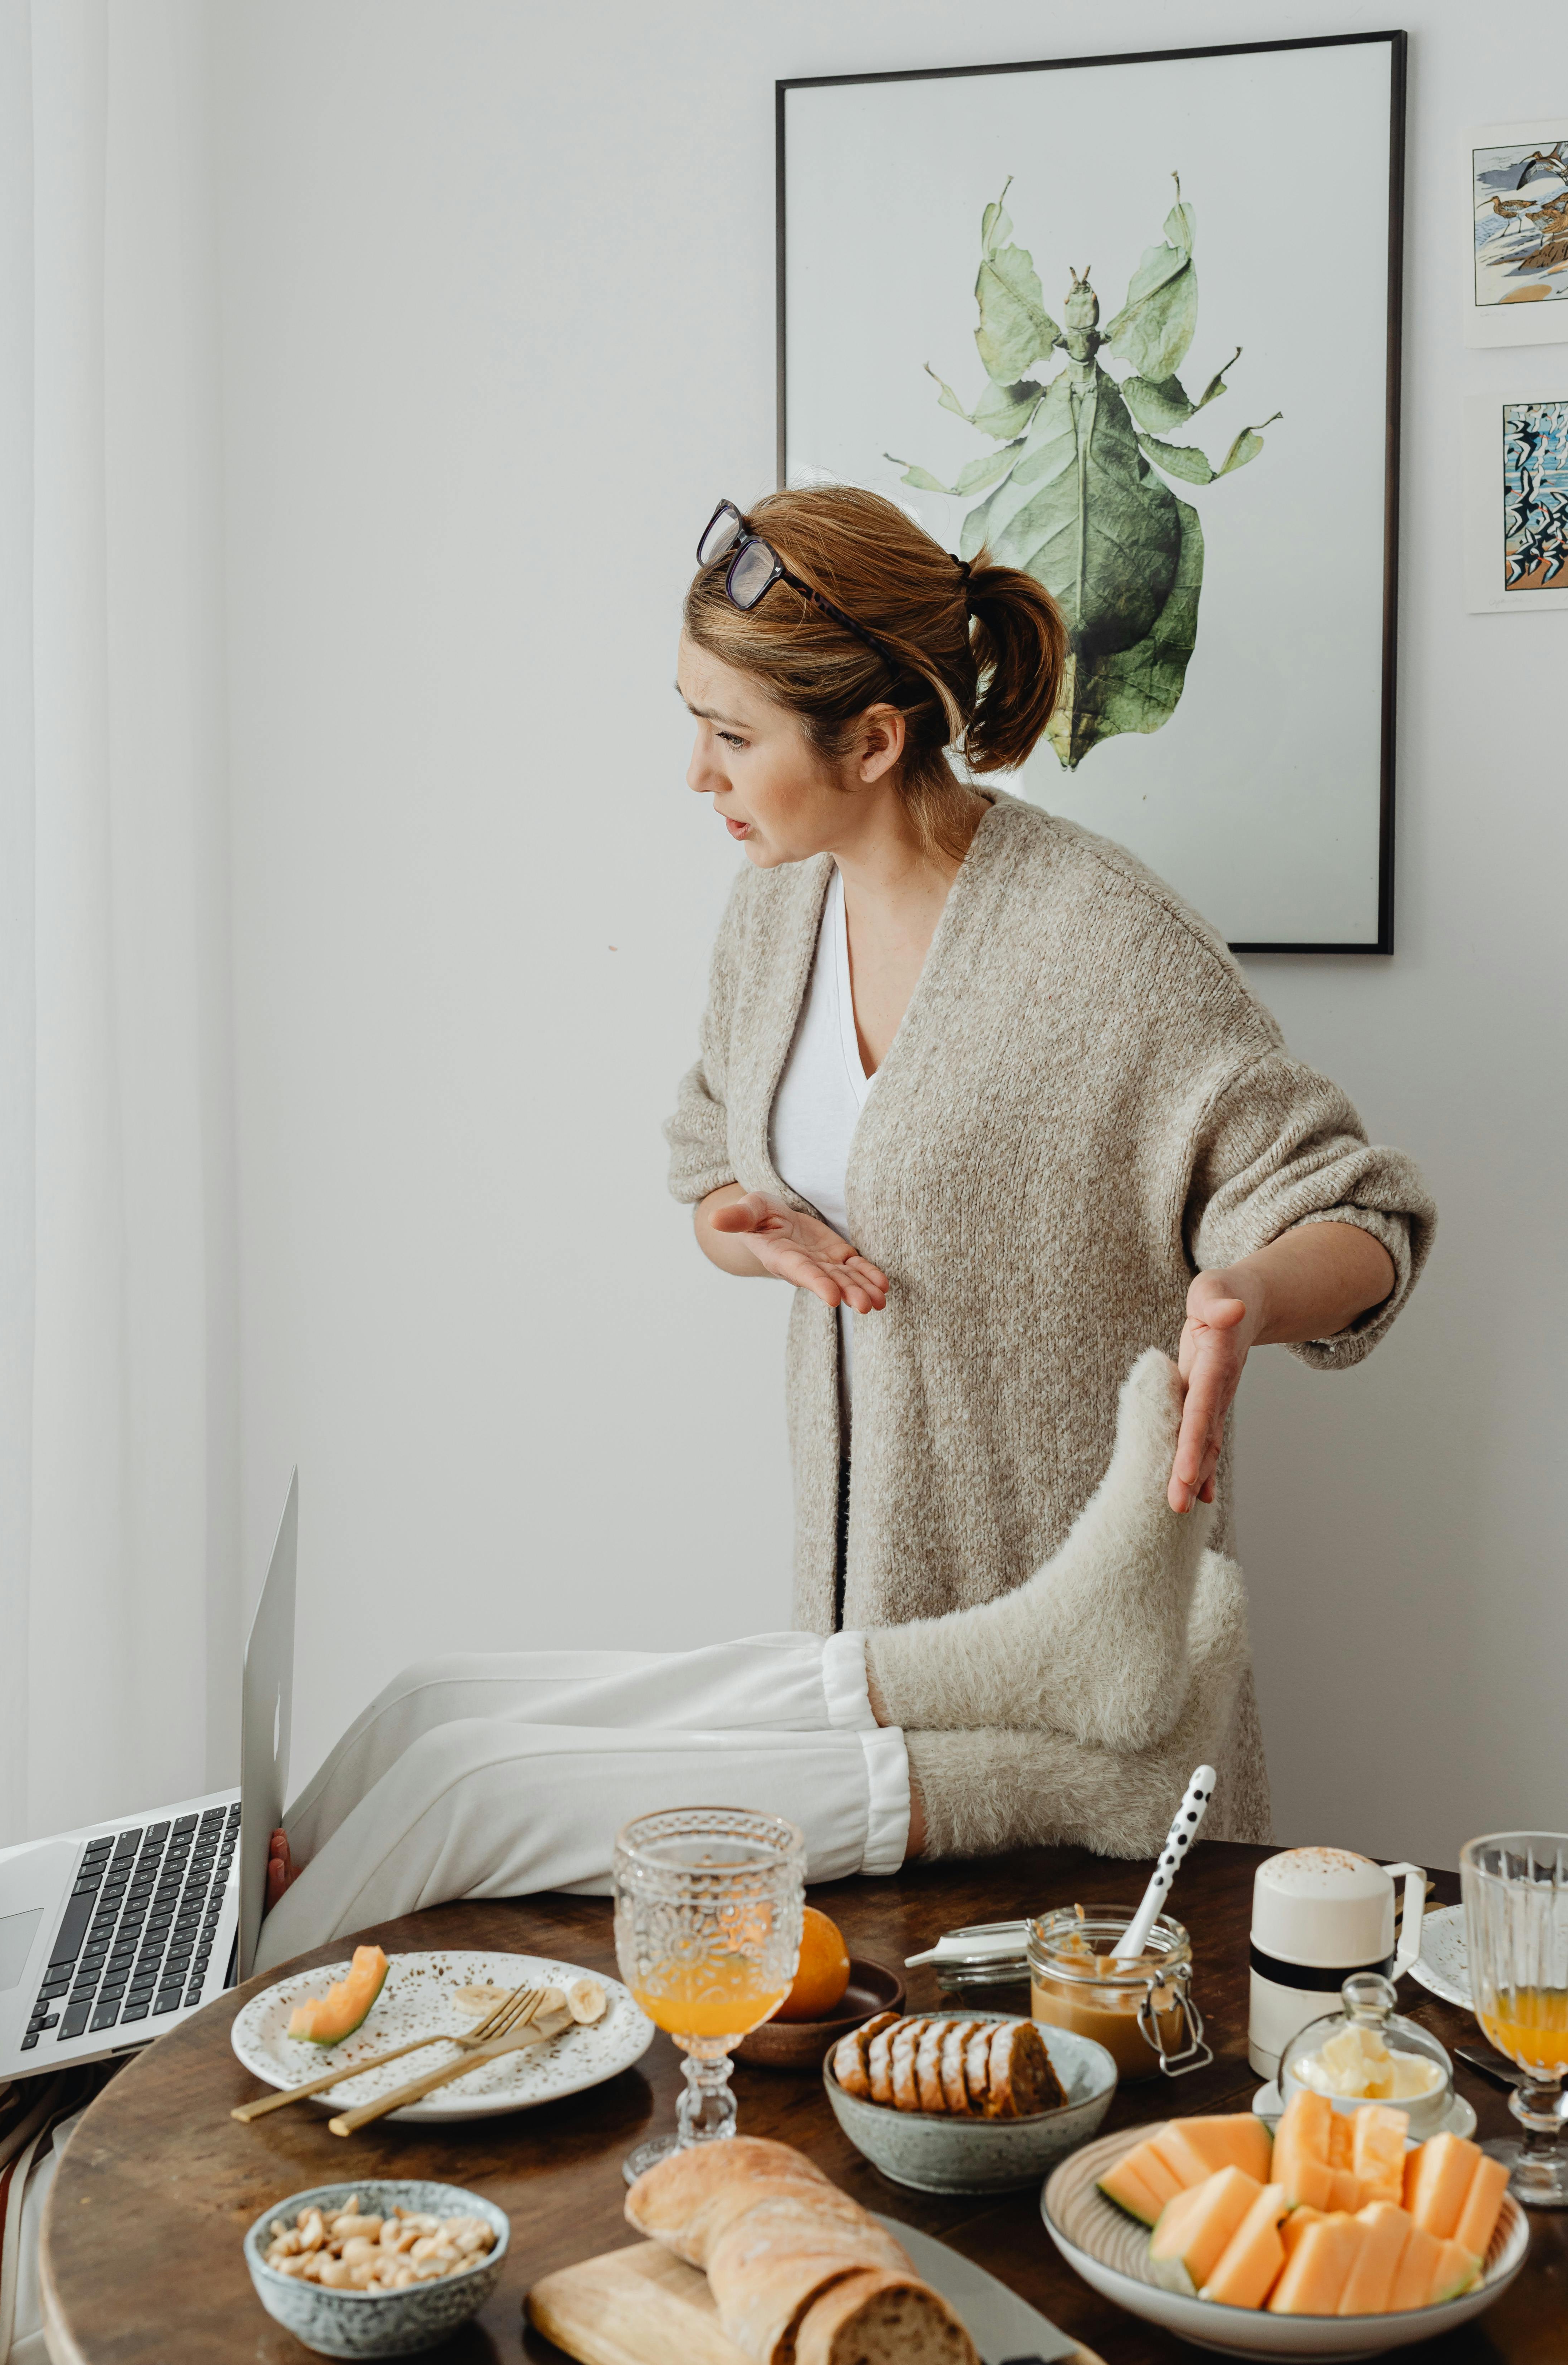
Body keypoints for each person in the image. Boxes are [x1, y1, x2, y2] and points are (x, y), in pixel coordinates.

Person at [255, 486, 1433, 1967]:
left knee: (469, 1799)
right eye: (693, 721)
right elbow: (708, 1155)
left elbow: (1359, 1214)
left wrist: (1245, 1295)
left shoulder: (1101, 945)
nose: (696, 774)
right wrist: (740, 1228)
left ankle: (195, 2061)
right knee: (425, 1713)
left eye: (731, 735)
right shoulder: (773, 915)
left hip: (1064, 1700)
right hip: (863, 1638)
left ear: (872, 742)